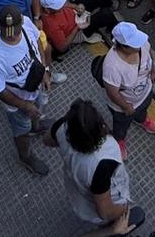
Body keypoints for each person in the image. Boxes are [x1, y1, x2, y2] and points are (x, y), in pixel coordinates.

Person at [43, 98, 146, 232]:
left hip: (78, 195)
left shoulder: (61, 127)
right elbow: (105, 212)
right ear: (100, 127)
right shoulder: (103, 162)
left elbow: (47, 140)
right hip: (103, 203)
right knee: (110, 222)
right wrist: (124, 211)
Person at [0, 4, 52, 175]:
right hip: (18, 103)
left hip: (35, 86)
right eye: (7, 32)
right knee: (21, 131)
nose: (12, 36)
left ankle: (36, 127)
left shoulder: (26, 23)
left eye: (15, 31)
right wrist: (25, 106)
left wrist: (45, 70)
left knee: (38, 110)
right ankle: (25, 156)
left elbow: (38, 41)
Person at [101, 22, 155, 158]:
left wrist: (153, 71)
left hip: (145, 93)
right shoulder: (112, 66)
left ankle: (142, 119)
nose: (140, 44)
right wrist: (126, 107)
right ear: (124, 46)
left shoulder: (142, 44)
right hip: (125, 106)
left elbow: (149, 56)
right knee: (121, 124)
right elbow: (112, 93)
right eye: (135, 43)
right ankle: (119, 139)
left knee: (142, 110)